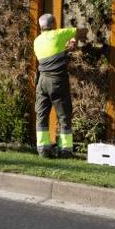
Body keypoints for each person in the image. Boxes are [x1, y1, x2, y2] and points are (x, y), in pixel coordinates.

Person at [33, 13, 87, 158]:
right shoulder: (59, 34)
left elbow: (52, 57)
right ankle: (65, 150)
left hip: (42, 82)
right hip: (57, 82)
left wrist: (66, 49)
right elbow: (84, 31)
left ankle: (43, 150)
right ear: (54, 24)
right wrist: (74, 39)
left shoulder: (37, 41)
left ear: (41, 27)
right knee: (64, 116)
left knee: (41, 115)